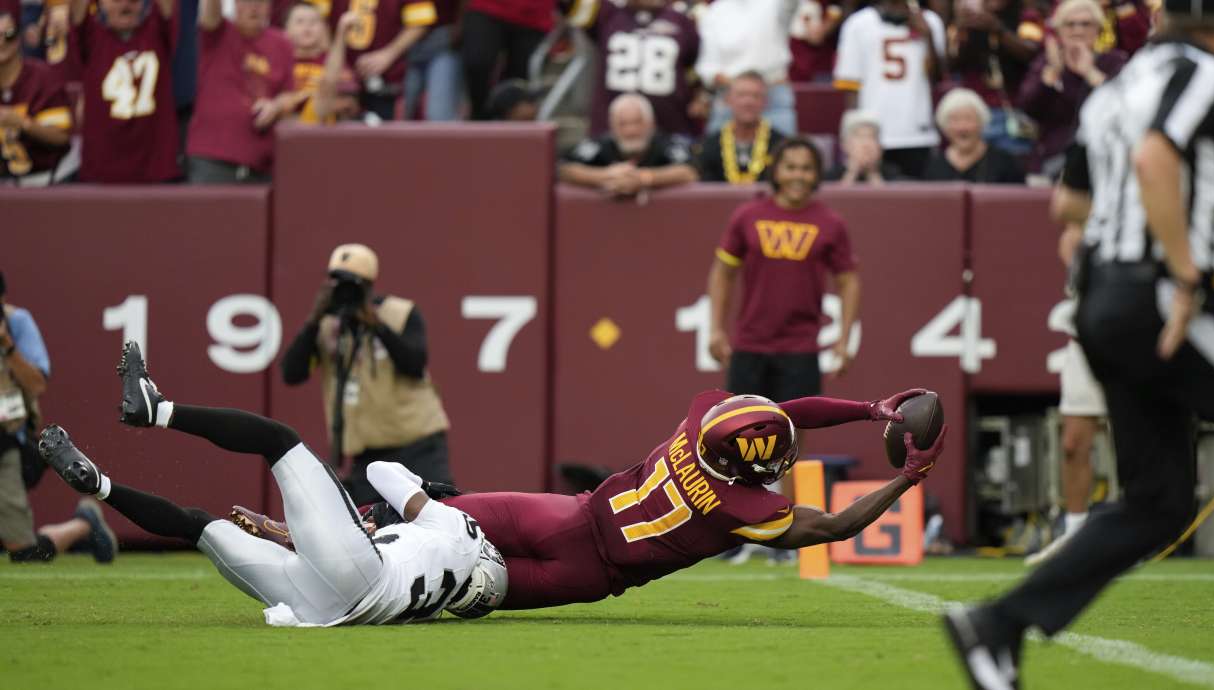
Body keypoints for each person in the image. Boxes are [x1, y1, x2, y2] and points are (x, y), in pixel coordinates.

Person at [944, 0, 1214, 685]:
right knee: (1154, 498)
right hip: (1159, 293)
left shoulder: (1115, 88)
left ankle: (997, 626)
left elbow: (1067, 205)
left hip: (1099, 297)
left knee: (1156, 502)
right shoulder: (1204, 76)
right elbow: (1157, 153)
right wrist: (1185, 271)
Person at [239, 388, 947, 609]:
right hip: (586, 572)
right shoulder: (745, 508)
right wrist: (906, 478)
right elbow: (835, 526)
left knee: (430, 515)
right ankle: (319, 550)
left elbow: (786, 409)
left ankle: (320, 529)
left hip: (568, 511)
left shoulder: (703, 418)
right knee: (434, 587)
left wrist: (867, 408)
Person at [39, 341, 505, 625]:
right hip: (326, 606)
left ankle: (155, 410)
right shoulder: (433, 601)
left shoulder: (461, 534)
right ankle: (99, 485)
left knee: (280, 441)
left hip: (362, 573)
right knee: (198, 527)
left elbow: (380, 472)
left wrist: (425, 488)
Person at [280, 243, 453, 504]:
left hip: (418, 446)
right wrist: (314, 318)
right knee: (365, 527)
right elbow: (291, 374)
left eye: (352, 285)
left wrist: (375, 323)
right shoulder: (327, 326)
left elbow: (415, 364)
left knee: (437, 515)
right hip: (367, 456)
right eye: (336, 283)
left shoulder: (399, 313)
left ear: (369, 285)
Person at [707, 137, 861, 392]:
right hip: (749, 345)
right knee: (743, 428)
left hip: (801, 349)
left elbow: (849, 282)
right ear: (776, 171)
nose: (798, 175)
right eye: (790, 167)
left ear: (817, 174)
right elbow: (723, 273)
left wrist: (845, 340)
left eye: (806, 168)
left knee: (792, 430)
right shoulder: (747, 216)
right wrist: (715, 329)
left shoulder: (831, 223)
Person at [0, 271, 115, 564]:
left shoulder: (16, 323)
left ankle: (84, 525)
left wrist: (7, 345)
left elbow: (37, 383)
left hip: (6, 444)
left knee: (25, 553)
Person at [1024, 218, 1105, 567]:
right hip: (1087, 332)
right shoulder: (1094, 186)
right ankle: (1075, 530)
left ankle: (1135, 532)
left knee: (1139, 441)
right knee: (1074, 442)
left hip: (1137, 328)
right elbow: (1067, 217)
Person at [67, 0, 179, 183]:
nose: (125, 4)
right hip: (102, 172)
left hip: (155, 170)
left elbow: (168, 10)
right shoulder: (91, 36)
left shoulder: (157, 31)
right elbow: (77, 17)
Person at [185, 0, 297, 184]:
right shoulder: (217, 32)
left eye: (261, 3)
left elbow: (289, 94)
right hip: (213, 157)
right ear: (234, 4)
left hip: (262, 162)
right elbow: (210, 13)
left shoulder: (282, 43)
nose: (254, 7)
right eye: (246, 1)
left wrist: (275, 106)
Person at [834, 0, 946, 178]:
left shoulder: (930, 21)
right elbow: (850, 86)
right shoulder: (858, 24)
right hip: (872, 136)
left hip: (917, 132)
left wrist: (928, 37)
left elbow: (938, 79)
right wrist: (854, 135)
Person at [1017, 0, 1127, 177]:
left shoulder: (1114, 62)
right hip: (1051, 159)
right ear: (1059, 30)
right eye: (1070, 24)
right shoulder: (1045, 62)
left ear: (1098, 29)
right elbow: (1027, 108)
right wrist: (1052, 74)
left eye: (1086, 24)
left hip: (1101, 161)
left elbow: (1124, 108)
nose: (1078, 30)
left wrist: (1090, 73)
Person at [568, 0, 702, 138]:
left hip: (670, 126)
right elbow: (570, 6)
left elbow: (697, 67)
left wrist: (699, 95)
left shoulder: (682, 19)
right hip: (611, 130)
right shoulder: (606, 13)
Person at [946, 0, 1043, 155]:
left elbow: (1032, 52)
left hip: (1012, 113)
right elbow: (950, 64)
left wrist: (998, 29)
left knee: (1010, 172)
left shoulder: (1026, 17)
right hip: (974, 114)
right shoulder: (968, 17)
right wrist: (963, 28)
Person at [559, 92, 698, 197]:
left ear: (651, 123)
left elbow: (690, 172)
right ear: (612, 126)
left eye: (637, 122)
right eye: (622, 124)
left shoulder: (668, 144)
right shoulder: (598, 145)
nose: (630, 130)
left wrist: (644, 178)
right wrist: (606, 175)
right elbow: (565, 169)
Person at [695, 0, 799, 136]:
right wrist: (743, 88)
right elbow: (708, 66)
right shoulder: (715, 12)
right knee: (717, 153)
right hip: (730, 97)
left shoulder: (776, 3)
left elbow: (791, 5)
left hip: (773, 94)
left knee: (785, 153)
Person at [329, 0, 436, 120]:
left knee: (386, 133)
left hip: (388, 77)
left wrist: (389, 54)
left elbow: (420, 21)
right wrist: (336, 63)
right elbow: (313, 17)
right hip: (336, 78)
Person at [0, 8, 71, 186]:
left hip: (45, 180)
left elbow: (62, 136)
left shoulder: (43, 77)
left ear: (19, 37)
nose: (1, 42)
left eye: (8, 34)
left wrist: (23, 123)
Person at [459, 0, 554, 120]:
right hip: (485, 6)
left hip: (534, 13)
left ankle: (508, 124)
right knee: (477, 62)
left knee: (520, 78)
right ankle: (479, 118)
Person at [694, 71, 788, 184]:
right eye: (741, 95)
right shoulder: (708, 145)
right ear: (728, 100)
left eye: (755, 95)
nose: (748, 102)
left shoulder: (782, 145)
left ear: (765, 102)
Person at [920, 87, 1024, 183]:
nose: (962, 128)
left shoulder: (1006, 164)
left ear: (982, 122)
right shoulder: (934, 166)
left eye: (968, 119)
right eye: (955, 120)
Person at [401, 0, 461, 121]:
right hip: (402, 47)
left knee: (439, 115)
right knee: (399, 115)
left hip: (443, 42)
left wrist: (460, 25)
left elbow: (422, 22)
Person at [825, 109, 907, 184]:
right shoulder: (831, 175)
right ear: (845, 144)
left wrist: (873, 173)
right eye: (860, 137)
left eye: (872, 137)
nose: (866, 144)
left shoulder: (893, 173)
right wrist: (851, 173)